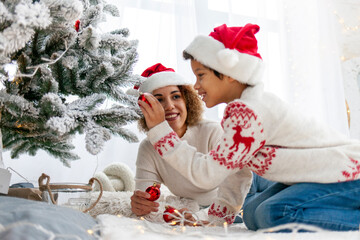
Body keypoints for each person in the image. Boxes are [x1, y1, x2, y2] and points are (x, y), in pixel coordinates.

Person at [137, 23, 360, 231]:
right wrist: (215, 219)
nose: (196, 86)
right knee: (252, 214)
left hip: (349, 175)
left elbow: (206, 175)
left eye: (201, 75)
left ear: (229, 74)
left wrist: (160, 131)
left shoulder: (250, 112)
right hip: (317, 177)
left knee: (274, 213)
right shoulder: (240, 112)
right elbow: (236, 173)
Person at [130, 63, 223, 217]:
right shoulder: (148, 148)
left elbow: (234, 192)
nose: (170, 106)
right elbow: (145, 194)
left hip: (247, 194)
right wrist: (141, 204)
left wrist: (201, 216)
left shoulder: (212, 131)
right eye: (159, 100)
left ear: (187, 100)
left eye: (176, 96)